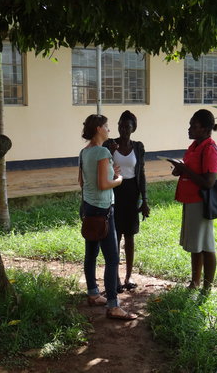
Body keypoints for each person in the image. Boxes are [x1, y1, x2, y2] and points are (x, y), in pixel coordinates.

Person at [79, 114, 137, 320]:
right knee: (112, 259)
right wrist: (119, 179)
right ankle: (113, 305)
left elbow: (82, 180)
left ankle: (93, 293)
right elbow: (104, 184)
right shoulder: (103, 151)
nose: (109, 130)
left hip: (88, 208)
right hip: (103, 209)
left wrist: (109, 173)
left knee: (91, 254)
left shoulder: (84, 152)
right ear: (98, 129)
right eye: (106, 126)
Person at [170, 109, 217, 292]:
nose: (189, 128)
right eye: (190, 124)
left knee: (206, 244)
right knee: (195, 245)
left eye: (194, 125)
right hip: (190, 200)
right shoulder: (194, 147)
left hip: (201, 202)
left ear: (206, 129)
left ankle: (207, 286)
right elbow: (190, 169)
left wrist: (186, 171)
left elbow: (208, 182)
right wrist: (179, 169)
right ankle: (195, 281)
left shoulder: (209, 149)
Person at [104, 110, 150, 292]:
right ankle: (114, 277)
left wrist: (144, 200)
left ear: (133, 128)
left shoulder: (138, 147)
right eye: (121, 126)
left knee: (129, 236)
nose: (123, 129)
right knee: (115, 236)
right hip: (114, 191)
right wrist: (109, 151)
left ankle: (128, 276)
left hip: (132, 192)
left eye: (127, 126)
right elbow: (103, 164)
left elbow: (142, 174)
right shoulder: (110, 145)